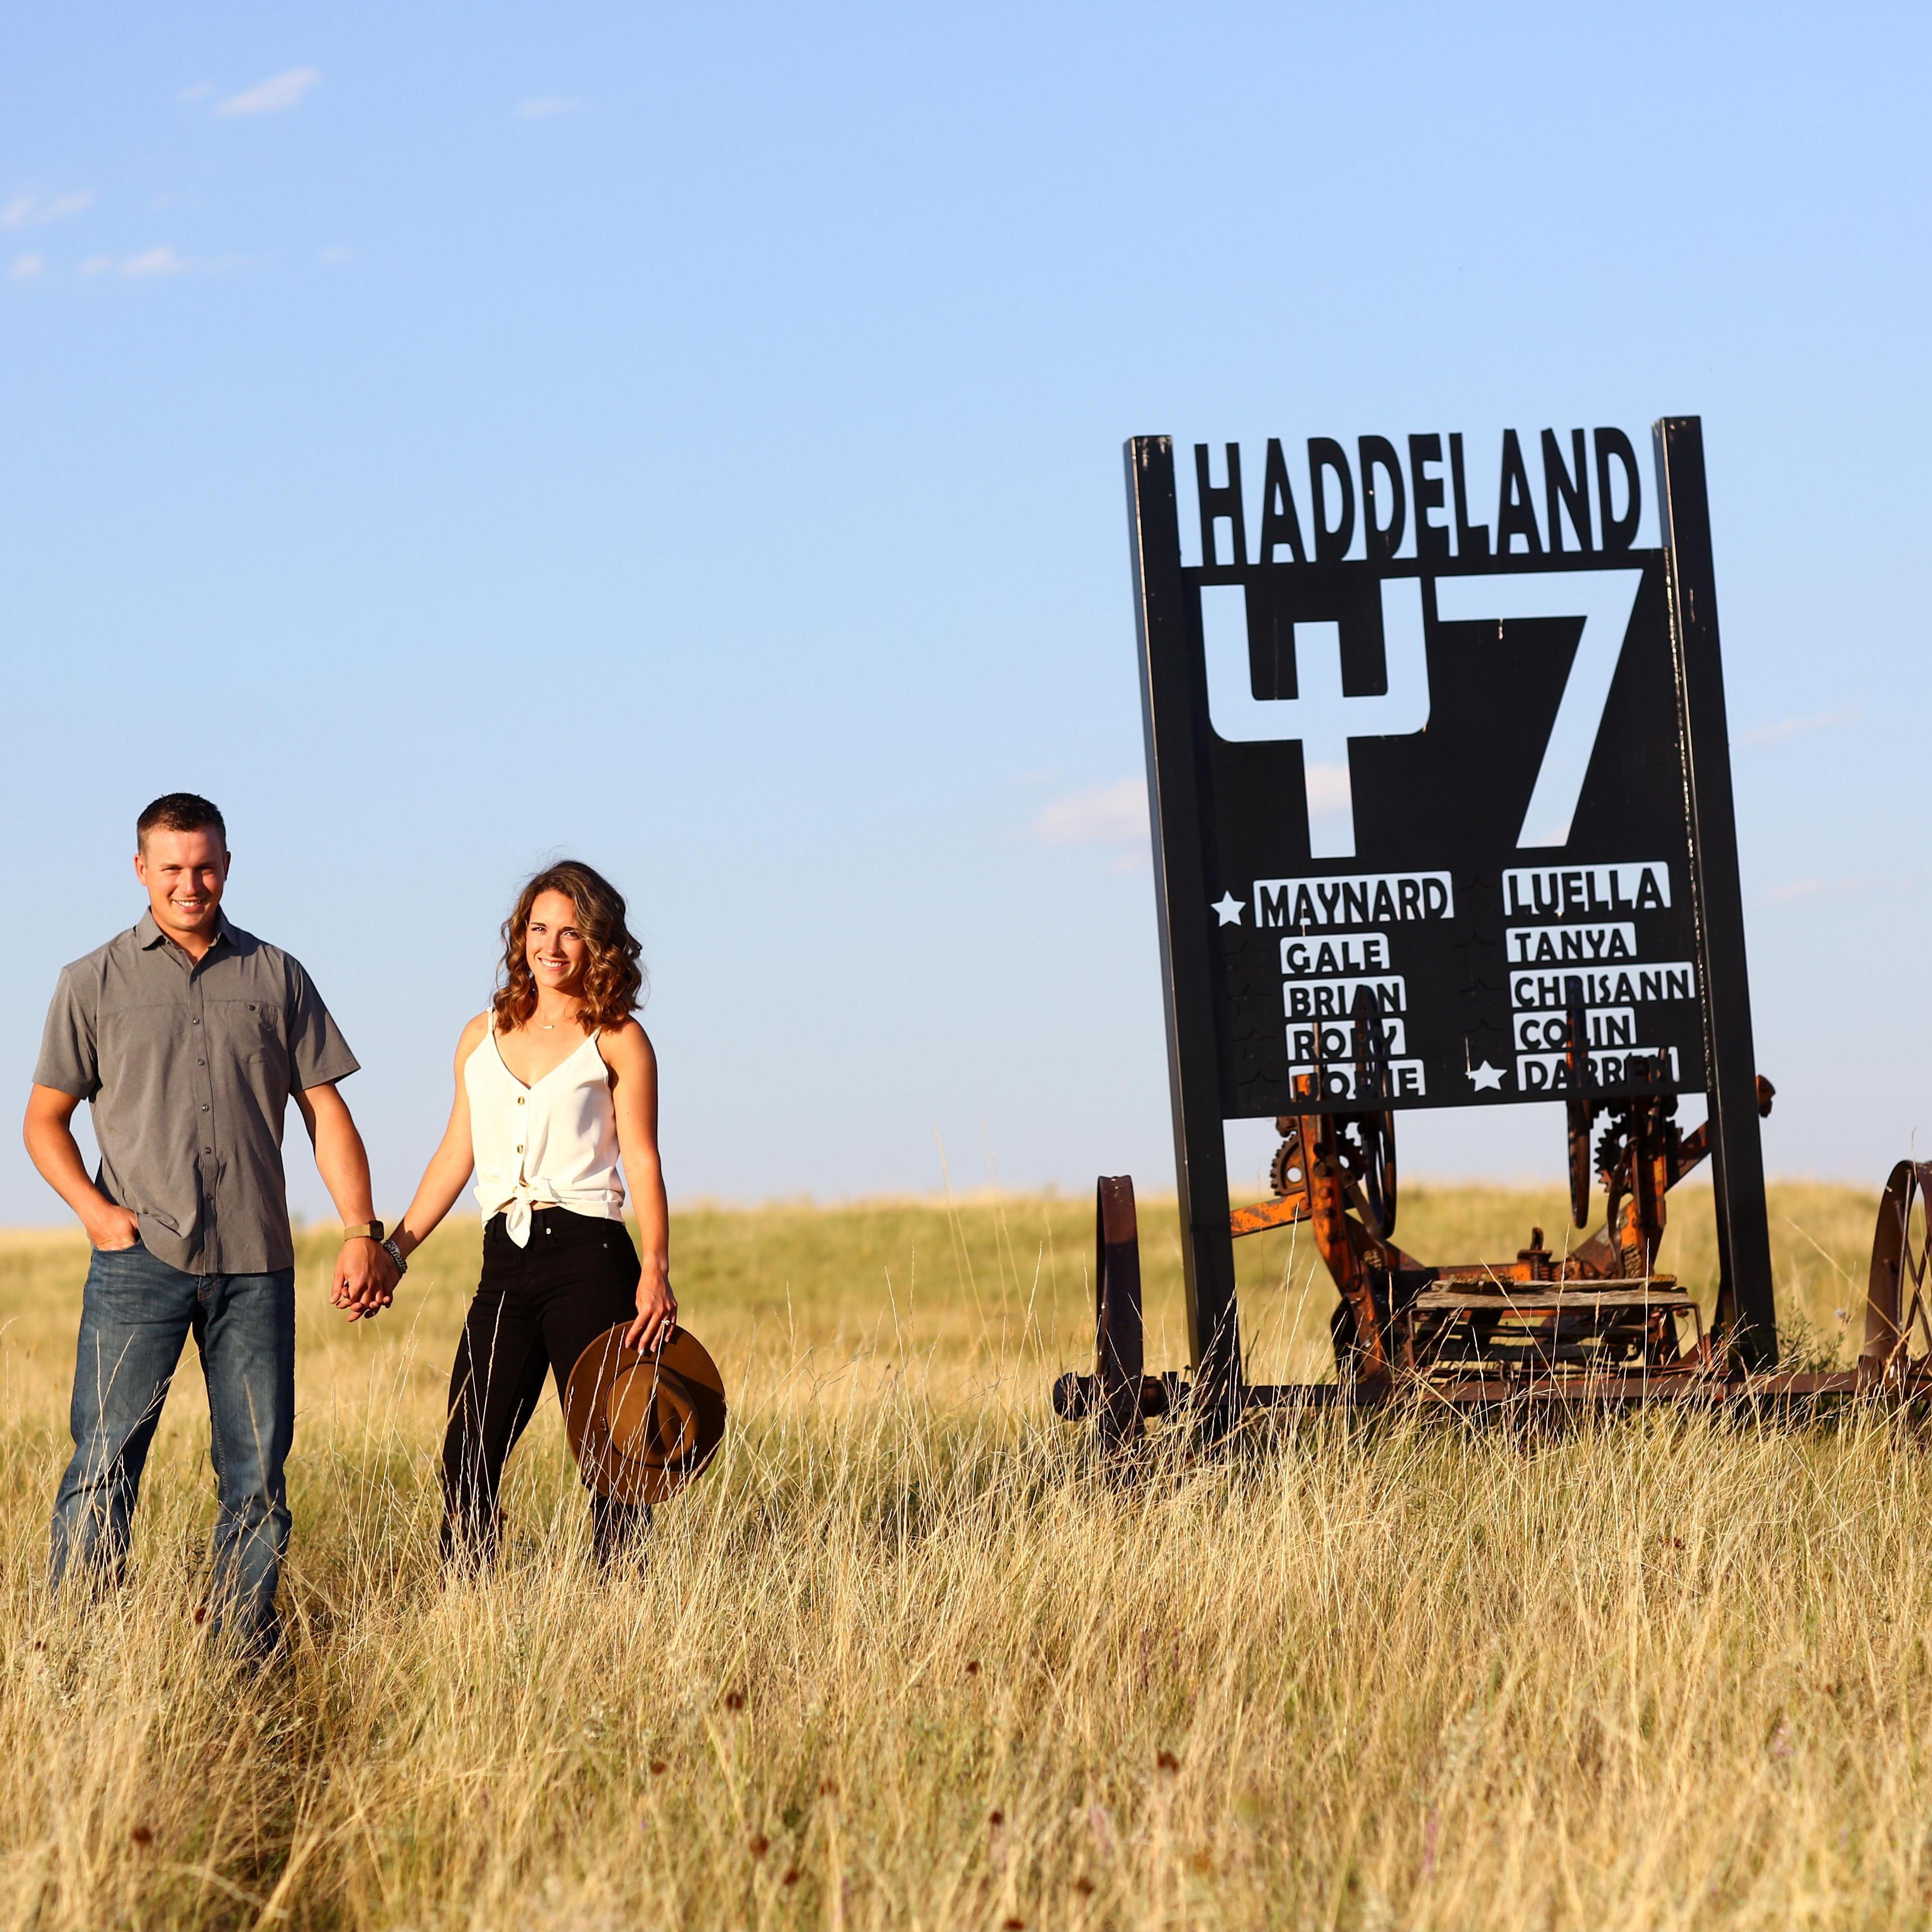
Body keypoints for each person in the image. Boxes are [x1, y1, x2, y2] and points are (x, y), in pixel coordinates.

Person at [24, 793, 398, 1653]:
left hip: (256, 1264)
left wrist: (358, 1229)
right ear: (140, 870)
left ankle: (237, 1654)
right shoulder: (92, 983)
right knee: (104, 1465)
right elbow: (43, 1121)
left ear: (226, 865)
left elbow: (325, 1111)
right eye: (172, 868)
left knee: (258, 1480)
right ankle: (77, 1657)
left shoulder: (277, 976)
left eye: (205, 866)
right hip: (138, 1261)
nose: (190, 884)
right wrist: (98, 1215)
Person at [382, 860, 673, 1570]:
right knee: (466, 1453)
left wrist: (658, 1268)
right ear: (520, 937)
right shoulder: (480, 1037)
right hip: (504, 1261)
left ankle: (622, 1617)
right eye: (539, 928)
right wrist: (394, 1253)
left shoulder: (619, 1039)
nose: (552, 945)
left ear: (598, 945)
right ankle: (469, 1616)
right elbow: (456, 1154)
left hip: (592, 1259)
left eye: (572, 932)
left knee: (616, 1460)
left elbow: (641, 1157)